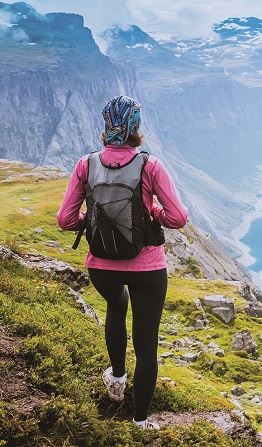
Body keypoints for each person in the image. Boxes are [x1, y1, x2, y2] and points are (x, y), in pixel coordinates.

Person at [57, 95, 188, 430]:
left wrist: (90, 219)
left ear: (105, 127)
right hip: (147, 268)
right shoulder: (150, 165)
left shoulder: (86, 165)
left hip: (100, 264)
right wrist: (152, 212)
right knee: (146, 345)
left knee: (116, 308)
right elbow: (177, 217)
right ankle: (140, 422)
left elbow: (65, 219)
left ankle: (116, 379)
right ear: (136, 129)